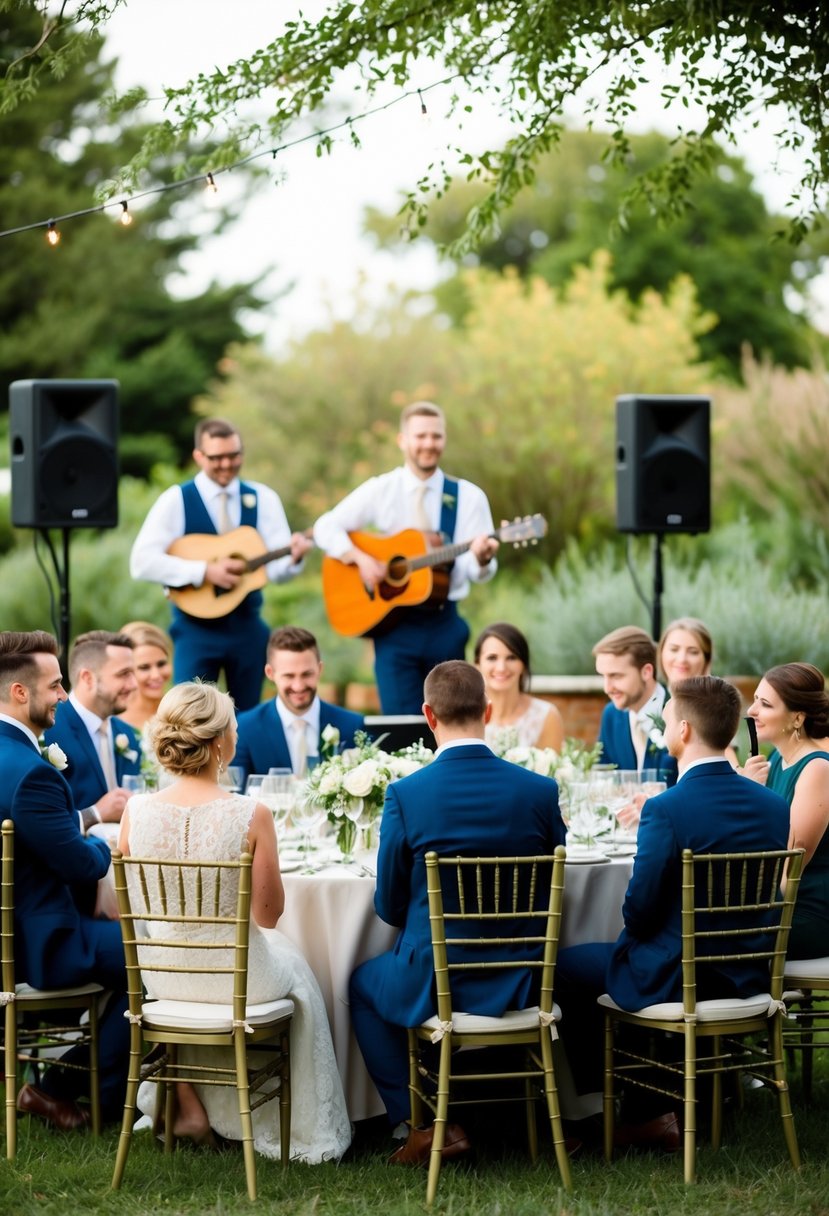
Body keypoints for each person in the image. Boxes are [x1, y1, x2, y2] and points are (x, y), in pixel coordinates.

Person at [119, 680, 352, 1161]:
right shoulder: (251, 813)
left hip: (164, 977)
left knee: (273, 958)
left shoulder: (134, 811)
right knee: (299, 969)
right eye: (234, 727)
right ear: (219, 741)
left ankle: (190, 1101)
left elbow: (135, 902)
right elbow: (269, 916)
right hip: (236, 982)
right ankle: (292, 1124)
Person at [556, 676, 790, 1148]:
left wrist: (639, 936)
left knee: (566, 969)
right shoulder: (772, 804)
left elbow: (639, 912)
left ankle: (612, 1109)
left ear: (683, 730)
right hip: (747, 970)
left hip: (683, 975)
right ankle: (669, 1093)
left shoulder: (666, 808)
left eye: (665, 720)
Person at [349, 660, 566, 1163]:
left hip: (435, 981)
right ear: (487, 711)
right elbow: (553, 881)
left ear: (428, 715)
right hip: (523, 975)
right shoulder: (539, 791)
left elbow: (388, 906)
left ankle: (417, 1125)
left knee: (359, 984)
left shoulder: (406, 795)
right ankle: (526, 1112)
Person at [0, 630, 129, 1129]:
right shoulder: (31, 772)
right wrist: (105, 844)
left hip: (20, 927)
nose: (62, 696)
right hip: (40, 942)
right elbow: (80, 863)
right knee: (155, 959)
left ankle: (60, 1089)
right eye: (55, 686)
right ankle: (87, 1095)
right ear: (20, 692)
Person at [313, 402, 499, 714]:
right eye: (421, 436)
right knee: (400, 729)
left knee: (450, 721)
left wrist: (481, 558)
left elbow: (476, 569)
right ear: (403, 440)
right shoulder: (381, 489)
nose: (429, 444)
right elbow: (324, 526)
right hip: (393, 629)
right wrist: (359, 558)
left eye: (436, 436)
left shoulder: (468, 496)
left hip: (445, 624)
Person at [129, 418, 312, 711]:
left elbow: (276, 573)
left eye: (234, 455)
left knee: (249, 715)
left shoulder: (263, 498)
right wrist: (203, 571)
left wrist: (296, 557)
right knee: (190, 715)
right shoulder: (176, 499)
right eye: (217, 457)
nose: (227, 464)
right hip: (194, 629)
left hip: (248, 625)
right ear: (199, 456)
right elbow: (141, 562)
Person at [744, 662, 829, 959]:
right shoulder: (776, 761)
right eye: (755, 699)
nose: (752, 711)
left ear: (797, 718)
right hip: (778, 902)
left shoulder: (817, 769)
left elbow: (789, 868)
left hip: (806, 912)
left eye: (765, 704)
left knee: (713, 937)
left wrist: (751, 914)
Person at [234, 626, 364, 782]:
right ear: (270, 673)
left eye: (306, 674)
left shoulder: (352, 725)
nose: (299, 686)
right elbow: (238, 796)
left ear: (319, 669)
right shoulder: (246, 727)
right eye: (289, 676)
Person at [44, 630, 142, 833]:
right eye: (123, 674)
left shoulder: (128, 734)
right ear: (87, 678)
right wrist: (97, 812)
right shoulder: (49, 732)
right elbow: (43, 819)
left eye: (133, 673)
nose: (134, 684)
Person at [592, 625, 677, 786]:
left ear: (646, 672)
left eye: (615, 676)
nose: (607, 688)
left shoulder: (680, 715)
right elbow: (602, 779)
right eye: (603, 676)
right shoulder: (610, 715)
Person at [474, 621, 564, 752]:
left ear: (524, 665)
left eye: (511, 658)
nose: (501, 668)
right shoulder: (463, 714)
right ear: (477, 664)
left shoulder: (546, 716)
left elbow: (552, 771)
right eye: (492, 658)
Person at [118, 620, 173, 732]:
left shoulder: (181, 712)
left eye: (161, 664)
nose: (156, 675)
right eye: (144, 667)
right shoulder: (113, 721)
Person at [657, 617, 713, 689]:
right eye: (674, 649)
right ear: (661, 652)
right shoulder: (650, 697)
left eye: (693, 652)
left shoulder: (720, 699)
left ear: (707, 659)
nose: (682, 659)